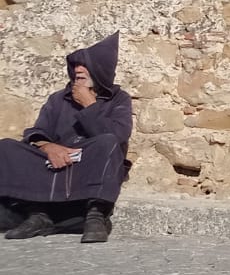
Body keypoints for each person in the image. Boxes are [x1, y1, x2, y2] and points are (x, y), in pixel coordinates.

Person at [0, 34, 131, 243]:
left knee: (108, 143)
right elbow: (38, 131)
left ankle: (95, 216)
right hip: (54, 162)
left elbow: (119, 135)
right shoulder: (58, 99)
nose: (77, 71)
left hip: (88, 162)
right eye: (76, 67)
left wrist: (90, 105)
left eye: (84, 67)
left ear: (100, 71)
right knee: (6, 147)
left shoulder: (118, 99)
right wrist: (49, 147)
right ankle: (38, 214)